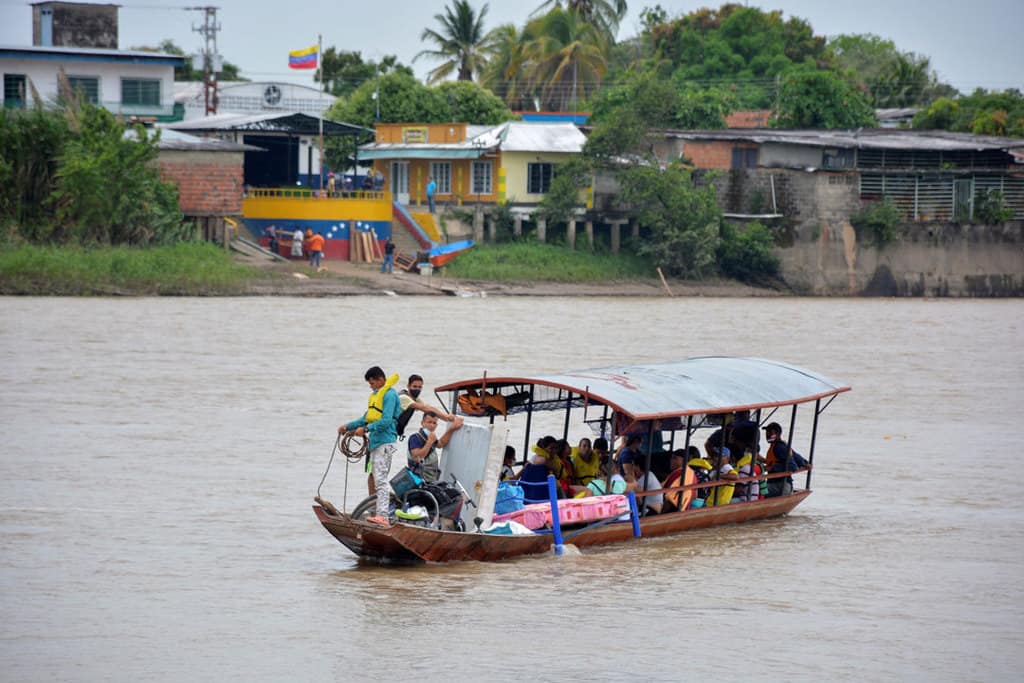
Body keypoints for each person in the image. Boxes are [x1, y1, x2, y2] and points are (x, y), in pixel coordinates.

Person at [338, 366, 401, 525]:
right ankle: (378, 513)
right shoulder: (376, 396)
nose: (371, 386)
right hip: (375, 442)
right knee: (376, 477)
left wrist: (366, 429)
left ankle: (383, 516)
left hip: (385, 442)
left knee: (381, 479)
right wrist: (348, 426)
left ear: (381, 379)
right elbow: (365, 419)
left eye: (372, 383)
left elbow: (386, 420)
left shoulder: (390, 395)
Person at [406, 412, 463, 484]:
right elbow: (417, 456)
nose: (432, 425)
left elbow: (440, 444)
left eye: (434, 423)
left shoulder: (430, 436)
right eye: (429, 422)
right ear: (422, 423)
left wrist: (452, 428)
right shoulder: (415, 438)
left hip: (431, 478)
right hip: (419, 479)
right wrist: (429, 442)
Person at [762, 422, 809, 497]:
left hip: (780, 486)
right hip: (779, 485)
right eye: (767, 432)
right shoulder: (781, 446)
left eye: (770, 432)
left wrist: (772, 468)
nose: (767, 435)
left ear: (778, 434)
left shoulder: (779, 448)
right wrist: (805, 463)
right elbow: (797, 458)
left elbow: (793, 467)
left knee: (757, 489)